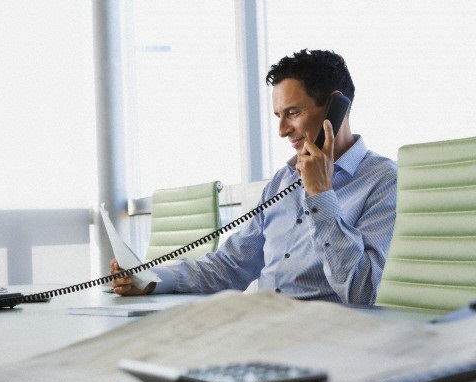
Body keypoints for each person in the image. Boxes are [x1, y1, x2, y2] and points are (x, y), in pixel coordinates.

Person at [110, 49, 397, 305]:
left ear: (336, 107)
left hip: (325, 336)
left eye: (293, 113)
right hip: (260, 325)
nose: (282, 130)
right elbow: (230, 266)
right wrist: (151, 278)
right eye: (278, 116)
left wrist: (321, 195)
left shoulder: (383, 180)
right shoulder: (282, 181)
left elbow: (362, 292)